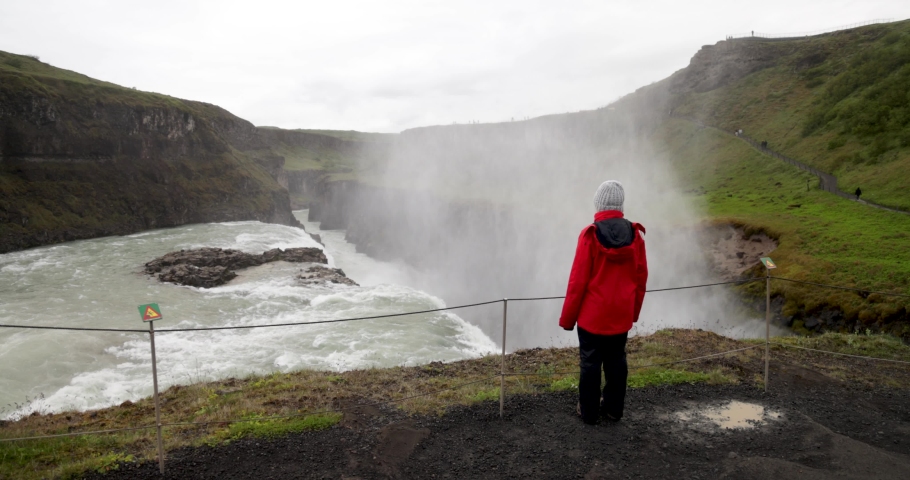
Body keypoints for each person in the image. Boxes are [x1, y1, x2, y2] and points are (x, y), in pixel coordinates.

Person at [559, 180, 648, 425]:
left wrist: (568, 319)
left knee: (590, 362)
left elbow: (577, 282)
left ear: (598, 204)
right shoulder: (635, 235)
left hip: (592, 317)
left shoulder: (590, 234)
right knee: (617, 361)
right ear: (620, 205)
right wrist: (633, 313)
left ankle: (588, 412)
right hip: (620, 316)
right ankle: (613, 410)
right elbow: (641, 278)